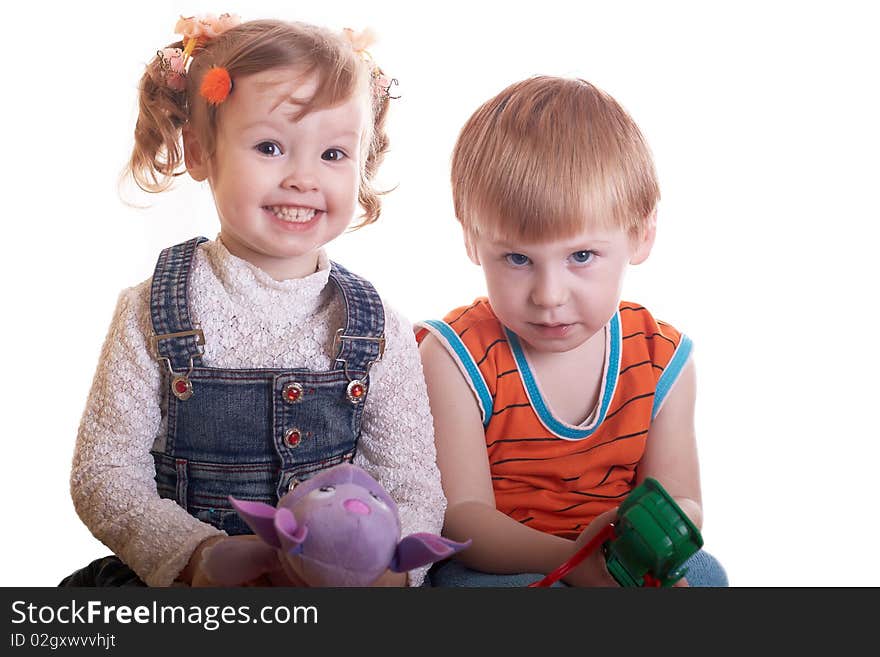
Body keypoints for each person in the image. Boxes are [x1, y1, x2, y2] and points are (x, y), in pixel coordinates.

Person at [64, 14, 444, 587]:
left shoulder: (380, 330)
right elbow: (104, 473)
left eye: (334, 155)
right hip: (192, 587)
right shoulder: (150, 310)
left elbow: (411, 484)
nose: (302, 177)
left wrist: (388, 572)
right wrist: (197, 556)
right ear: (200, 151)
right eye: (270, 146)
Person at [417, 76, 727, 587]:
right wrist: (573, 561)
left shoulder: (661, 356)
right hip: (504, 564)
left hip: (616, 558)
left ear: (640, 235)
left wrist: (648, 540)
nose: (548, 295)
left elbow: (682, 500)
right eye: (517, 258)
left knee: (706, 574)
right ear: (473, 241)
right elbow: (464, 520)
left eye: (581, 256)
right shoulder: (455, 357)